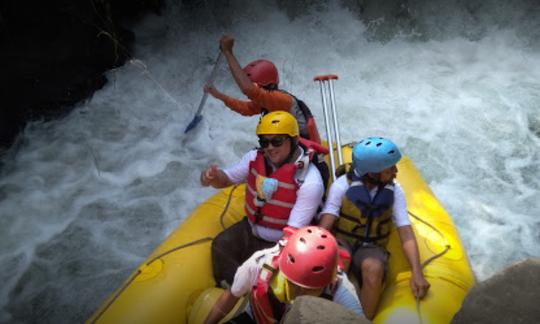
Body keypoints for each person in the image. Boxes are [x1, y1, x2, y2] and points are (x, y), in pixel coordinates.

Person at [200, 111, 325, 287]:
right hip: (251, 229)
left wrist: (265, 258)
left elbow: (292, 233)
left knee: (265, 271)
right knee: (221, 245)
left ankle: (255, 296)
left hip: (281, 241)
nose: (270, 147)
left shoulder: (309, 181)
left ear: (294, 139)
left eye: (277, 141)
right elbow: (227, 178)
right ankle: (233, 289)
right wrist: (211, 178)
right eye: (264, 142)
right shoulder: (254, 158)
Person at [318, 137, 430, 320]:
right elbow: (328, 219)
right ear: (372, 173)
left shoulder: (396, 191)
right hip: (344, 241)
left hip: (372, 246)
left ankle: (362, 319)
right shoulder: (341, 185)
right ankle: (327, 312)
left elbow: (405, 232)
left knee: (374, 268)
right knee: (340, 261)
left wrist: (417, 272)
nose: (395, 172)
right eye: (390, 169)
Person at [203, 226, 363, 324]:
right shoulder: (261, 263)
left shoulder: (342, 290)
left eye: (308, 290)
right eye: (295, 285)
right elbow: (231, 295)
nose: (299, 295)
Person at [204, 34, 321, 143]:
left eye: (255, 85)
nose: (252, 88)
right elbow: (246, 109)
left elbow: (248, 90)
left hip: (305, 149)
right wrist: (218, 95)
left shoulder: (281, 99)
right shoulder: (267, 101)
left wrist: (228, 52)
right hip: (287, 145)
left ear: (268, 85)